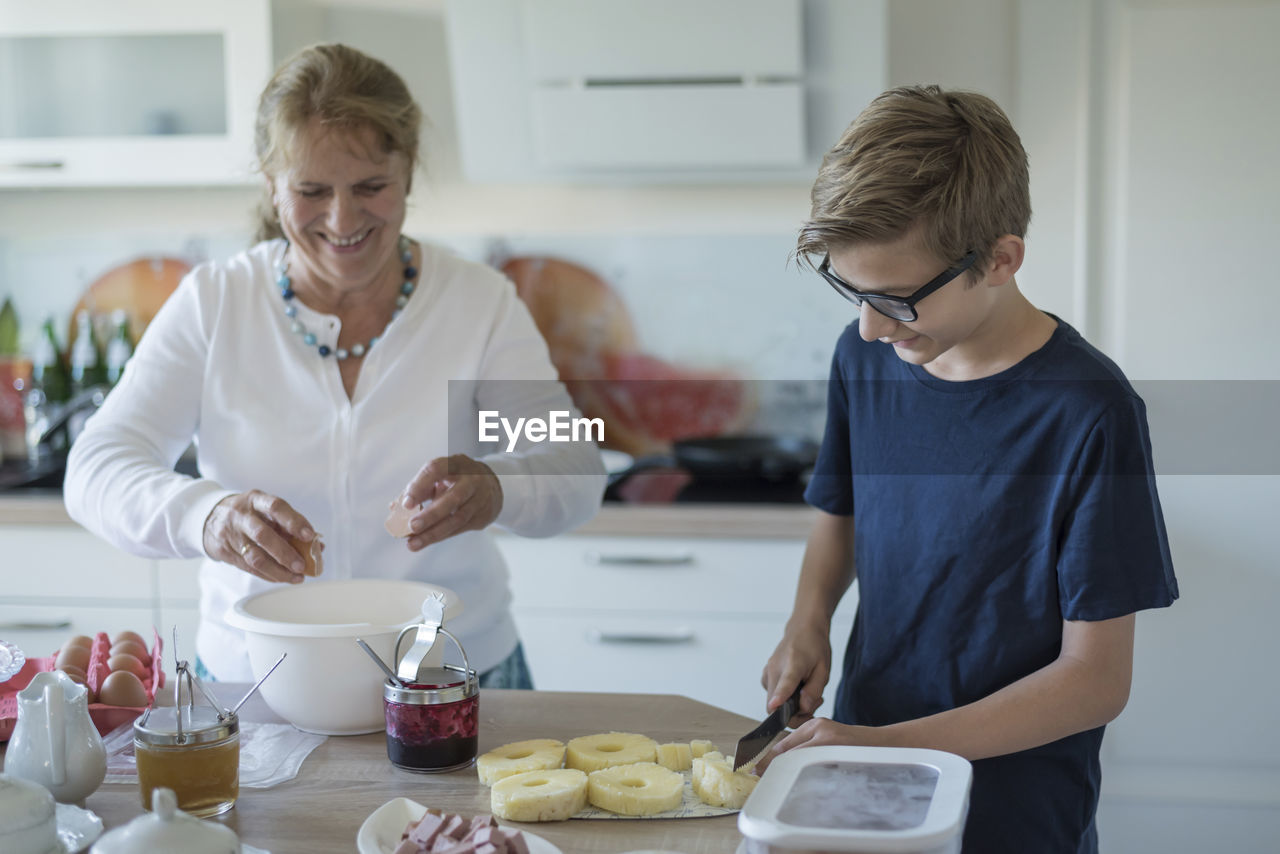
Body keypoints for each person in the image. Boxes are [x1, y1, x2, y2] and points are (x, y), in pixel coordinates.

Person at [64, 44, 606, 687]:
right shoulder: (217, 303)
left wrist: (499, 489)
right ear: (271, 184)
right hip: (258, 683)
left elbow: (576, 467)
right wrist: (203, 517)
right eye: (312, 191)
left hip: (454, 676)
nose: (343, 220)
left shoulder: (477, 302)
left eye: (370, 186)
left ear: (407, 171)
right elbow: (96, 466)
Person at [756, 85, 1178, 853]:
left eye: (898, 300)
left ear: (1000, 259)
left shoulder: (1090, 411)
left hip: (1014, 810)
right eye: (850, 289)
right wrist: (807, 621)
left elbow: (1095, 680)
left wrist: (883, 746)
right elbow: (841, 512)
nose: (870, 324)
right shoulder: (865, 355)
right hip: (863, 777)